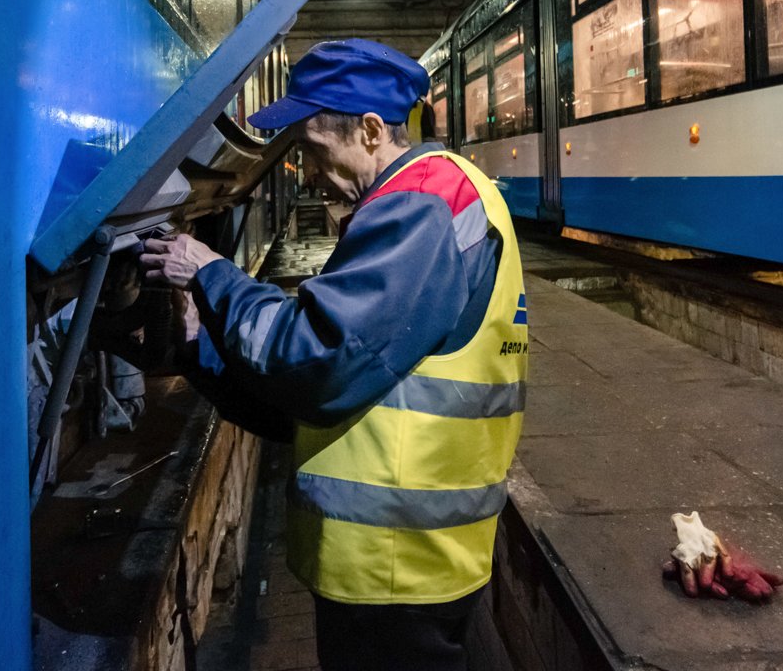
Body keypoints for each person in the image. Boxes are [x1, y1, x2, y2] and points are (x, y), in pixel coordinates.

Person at [139, 38, 528, 671]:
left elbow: (319, 359)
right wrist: (198, 347)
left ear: (371, 130)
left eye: (313, 150)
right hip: (410, 555)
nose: (310, 173)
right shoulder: (432, 197)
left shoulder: (424, 202)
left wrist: (211, 276)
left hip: (394, 564)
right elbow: (328, 394)